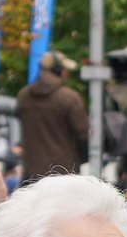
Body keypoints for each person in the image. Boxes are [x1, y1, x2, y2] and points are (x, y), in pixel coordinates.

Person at [16, 51, 89, 184]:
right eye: (65, 70)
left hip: (31, 175)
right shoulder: (69, 98)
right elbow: (84, 136)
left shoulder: (23, 96)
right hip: (64, 175)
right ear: (57, 71)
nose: (67, 73)